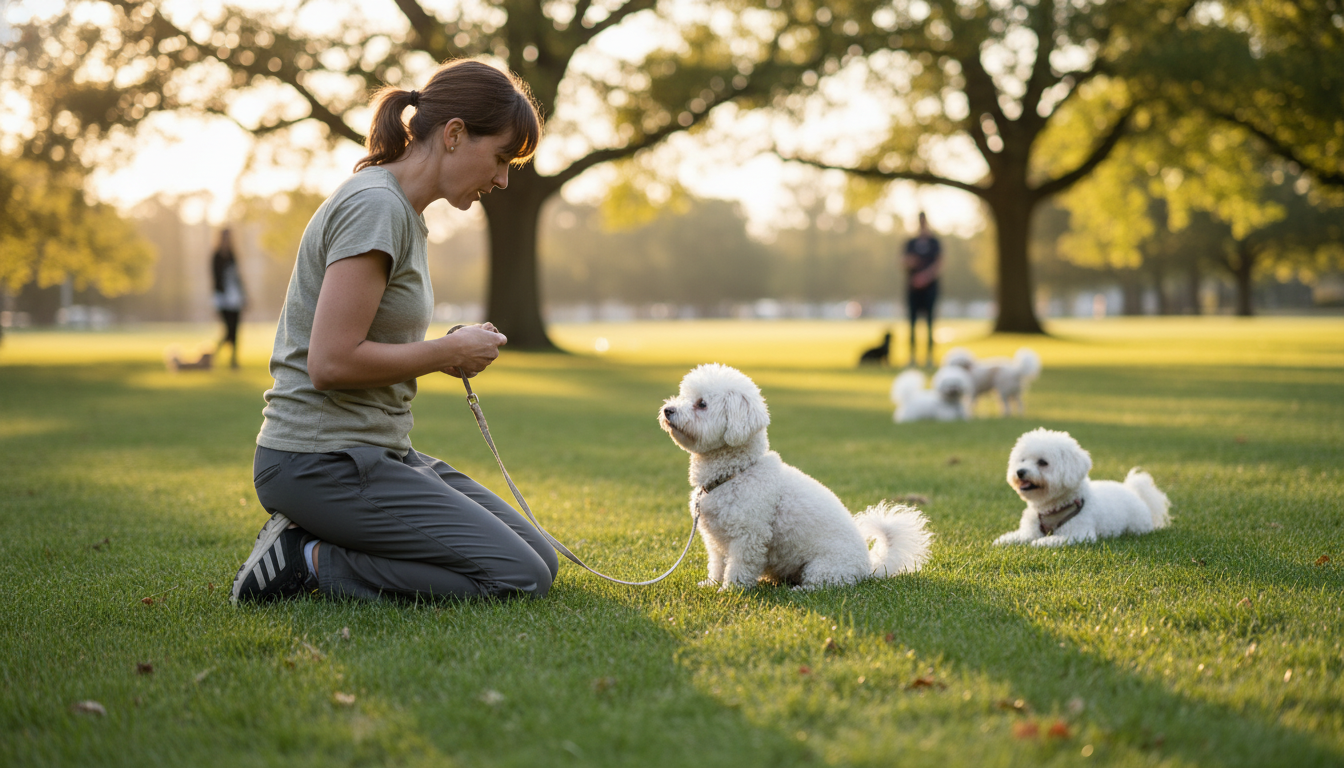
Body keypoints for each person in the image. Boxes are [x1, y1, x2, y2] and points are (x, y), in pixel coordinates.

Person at [230, 59, 557, 604]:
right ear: (454, 134)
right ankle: (306, 559)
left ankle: (314, 538)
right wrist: (445, 351)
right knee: (520, 577)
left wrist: (446, 349)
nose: (502, 179)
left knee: (538, 557)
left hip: (378, 452)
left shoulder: (402, 211)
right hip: (319, 461)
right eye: (501, 158)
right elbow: (330, 364)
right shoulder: (376, 206)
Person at [902, 212, 942, 368]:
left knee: (930, 323)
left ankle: (930, 357)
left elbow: (940, 263)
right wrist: (910, 263)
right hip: (913, 289)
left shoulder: (934, 243)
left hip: (930, 289)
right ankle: (912, 357)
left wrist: (925, 277)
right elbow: (903, 261)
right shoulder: (910, 243)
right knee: (912, 323)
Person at [211, 228, 246, 369]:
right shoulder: (216, 256)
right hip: (223, 299)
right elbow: (215, 279)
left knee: (236, 330)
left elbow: (238, 277)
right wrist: (218, 299)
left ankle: (233, 360)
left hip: (235, 298)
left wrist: (244, 295)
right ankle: (213, 354)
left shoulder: (233, 255)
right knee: (228, 330)